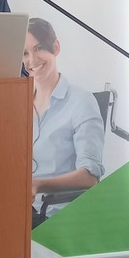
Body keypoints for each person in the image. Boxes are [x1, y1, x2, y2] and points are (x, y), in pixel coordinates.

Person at [23, 18, 105, 227]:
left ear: (56, 47)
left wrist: (38, 185)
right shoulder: (19, 102)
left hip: (55, 216)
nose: (31, 60)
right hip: (19, 209)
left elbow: (90, 175)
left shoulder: (81, 101)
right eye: (24, 53)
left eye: (38, 48)